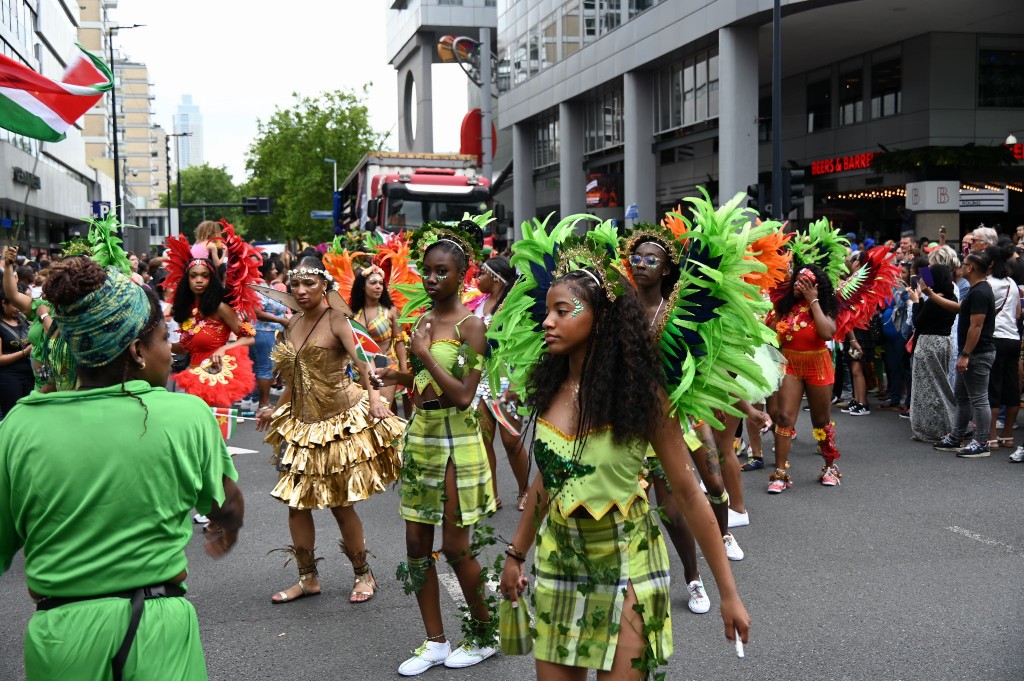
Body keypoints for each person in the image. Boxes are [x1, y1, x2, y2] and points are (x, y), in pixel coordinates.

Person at [491, 219, 749, 680]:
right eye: (547, 311)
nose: (547, 321)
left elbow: (690, 495)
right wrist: (515, 555)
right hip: (559, 558)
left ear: (601, 318)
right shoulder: (550, 387)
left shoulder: (642, 395)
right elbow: (547, 481)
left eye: (563, 311)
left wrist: (727, 592)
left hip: (627, 559)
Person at [0, 256, 243, 680]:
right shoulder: (187, 415)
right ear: (136, 351)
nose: (171, 351)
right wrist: (227, 525)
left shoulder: (19, 424)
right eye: (164, 339)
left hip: (61, 635)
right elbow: (226, 504)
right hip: (160, 628)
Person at [370, 221, 498, 675]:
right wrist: (399, 377)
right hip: (421, 430)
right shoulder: (422, 319)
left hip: (457, 436)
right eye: (427, 271)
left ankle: (484, 634)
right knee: (415, 541)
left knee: (457, 545)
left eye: (441, 272)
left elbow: (464, 395)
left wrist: (422, 355)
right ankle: (435, 640)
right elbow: (426, 387)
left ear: (461, 275)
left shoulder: (472, 327)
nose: (430, 279)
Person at [256, 256, 404, 605]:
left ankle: (363, 574)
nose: (302, 290)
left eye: (310, 283)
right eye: (295, 284)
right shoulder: (291, 323)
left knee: (340, 504)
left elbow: (365, 364)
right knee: (296, 505)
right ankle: (307, 579)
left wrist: (377, 400)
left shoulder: (338, 319)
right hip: (302, 425)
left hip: (339, 421)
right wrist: (274, 409)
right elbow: (294, 379)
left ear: (325, 286)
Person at [768, 263, 841, 490]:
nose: (799, 284)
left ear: (816, 286)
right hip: (790, 364)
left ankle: (829, 467)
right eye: (797, 280)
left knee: (820, 421)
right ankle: (780, 474)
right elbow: (769, 329)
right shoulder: (785, 305)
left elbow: (827, 332)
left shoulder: (825, 306)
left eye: (806, 281)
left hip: (817, 364)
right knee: (784, 417)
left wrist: (813, 301)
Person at [469, 256, 530, 512]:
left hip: (507, 379)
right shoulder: (477, 305)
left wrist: (516, 384)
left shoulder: (514, 307)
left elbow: (523, 346)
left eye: (480, 273)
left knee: (511, 441)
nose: (476, 279)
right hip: (480, 380)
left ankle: (525, 490)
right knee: (483, 438)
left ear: (495, 277)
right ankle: (491, 495)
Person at [930, 251, 997, 457]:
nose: (959, 268)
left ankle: (981, 442)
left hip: (978, 353)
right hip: (971, 353)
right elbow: (960, 309)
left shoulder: (980, 292)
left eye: (963, 264)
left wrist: (966, 354)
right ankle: (957, 436)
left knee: (978, 398)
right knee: (962, 397)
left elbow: (976, 326)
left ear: (971, 268)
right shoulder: (976, 290)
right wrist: (931, 295)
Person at [907, 264, 957, 442]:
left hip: (928, 344)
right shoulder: (952, 297)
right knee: (942, 383)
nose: (923, 280)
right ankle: (951, 424)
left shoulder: (934, 301)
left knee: (926, 388)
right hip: (944, 342)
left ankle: (929, 429)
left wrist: (916, 301)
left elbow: (918, 322)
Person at [350, 264, 408, 406]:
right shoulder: (352, 314)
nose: (378, 286)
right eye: (373, 283)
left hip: (386, 368)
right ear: (363, 286)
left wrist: (404, 373)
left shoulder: (391, 311)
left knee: (383, 410)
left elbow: (399, 342)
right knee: (362, 414)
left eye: (381, 283)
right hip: (359, 370)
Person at [983, 239, 1021, 456]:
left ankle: (991, 437)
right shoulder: (1012, 283)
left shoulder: (987, 283)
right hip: (1013, 338)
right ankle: (1008, 435)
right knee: (1011, 387)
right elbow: (1017, 313)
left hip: (995, 338)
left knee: (993, 388)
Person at [248, 257, 290, 411]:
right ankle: (263, 404)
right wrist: (282, 320)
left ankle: (258, 401)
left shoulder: (266, 286)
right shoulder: (259, 286)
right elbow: (257, 312)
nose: (275, 271)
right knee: (265, 368)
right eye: (272, 268)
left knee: (263, 367)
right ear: (264, 270)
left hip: (268, 332)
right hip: (262, 331)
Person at [0, 288, 33, 417]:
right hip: (9, 377)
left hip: (29, 374)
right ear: (3, 303)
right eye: (14, 305)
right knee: (13, 414)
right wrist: (25, 352)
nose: (17, 309)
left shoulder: (22, 319)